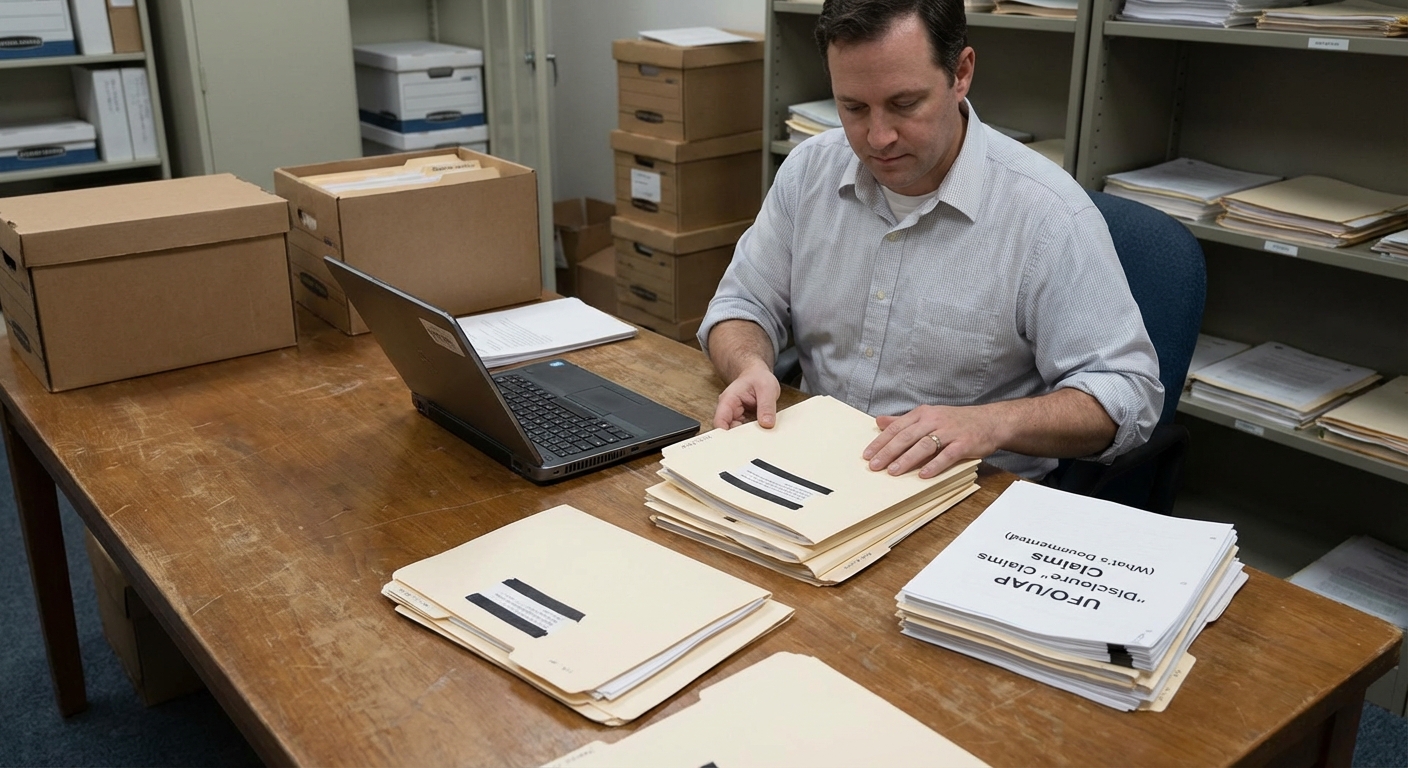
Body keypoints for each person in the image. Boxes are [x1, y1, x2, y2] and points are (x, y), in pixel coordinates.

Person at [697, 0, 1163, 482]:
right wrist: (749, 365)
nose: (878, 137)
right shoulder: (809, 171)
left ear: (960, 73)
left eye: (904, 104)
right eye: (853, 107)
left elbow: (1127, 394)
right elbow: (742, 304)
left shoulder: (1048, 215)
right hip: (811, 462)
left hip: (961, 492)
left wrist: (990, 423)